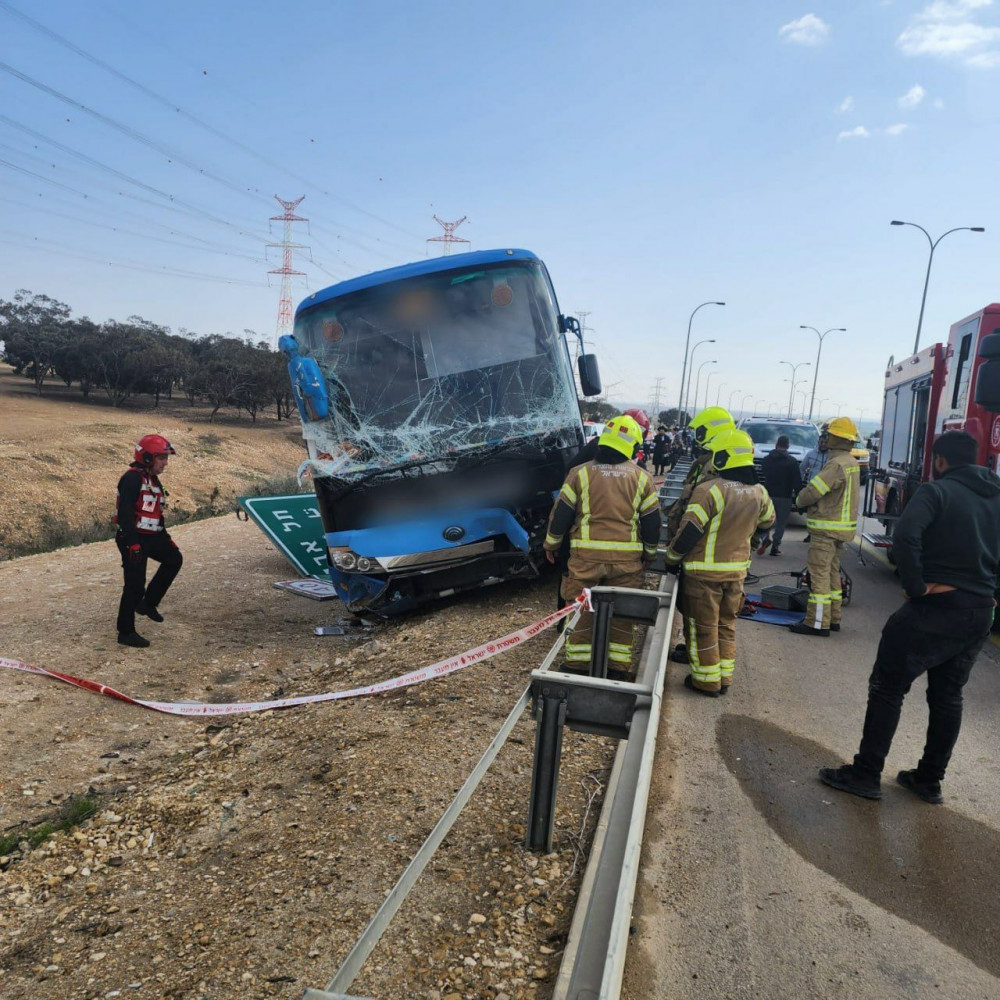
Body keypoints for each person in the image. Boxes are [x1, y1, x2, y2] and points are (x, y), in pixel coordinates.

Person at [819, 431, 1000, 803]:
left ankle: (866, 774)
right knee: (948, 696)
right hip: (980, 611)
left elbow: (905, 537)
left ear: (939, 461)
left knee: (888, 688)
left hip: (936, 607)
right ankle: (929, 781)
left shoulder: (936, 492)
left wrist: (916, 587)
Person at [544, 416, 661, 672]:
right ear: (633, 446)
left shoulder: (580, 473)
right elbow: (652, 522)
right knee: (622, 615)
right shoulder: (642, 478)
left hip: (585, 560)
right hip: (627, 564)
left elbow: (561, 514)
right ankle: (618, 667)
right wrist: (650, 553)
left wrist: (551, 544)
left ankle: (576, 666)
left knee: (582, 611)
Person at [664, 428, 775, 695]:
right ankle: (724, 678)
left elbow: (689, 531)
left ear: (723, 457)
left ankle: (706, 681)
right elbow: (767, 522)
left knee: (702, 627)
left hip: (703, 574)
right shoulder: (759, 492)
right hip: (736, 573)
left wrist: (671, 558)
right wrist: (750, 542)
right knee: (726, 624)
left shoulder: (709, 490)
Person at [789, 416, 860, 637]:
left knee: (818, 575)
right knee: (832, 574)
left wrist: (799, 501)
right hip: (840, 530)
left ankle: (817, 623)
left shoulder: (836, 464)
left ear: (837, 438)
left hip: (826, 530)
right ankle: (833, 618)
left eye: (829, 434)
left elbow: (814, 490)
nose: (826, 438)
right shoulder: (851, 462)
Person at [114, 434, 183, 648]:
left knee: (174, 559)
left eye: (166, 458)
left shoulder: (152, 479)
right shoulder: (132, 479)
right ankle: (125, 632)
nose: (165, 463)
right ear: (147, 458)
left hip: (152, 535)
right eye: (161, 458)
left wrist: (166, 537)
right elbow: (125, 514)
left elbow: (155, 513)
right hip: (132, 537)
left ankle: (148, 604)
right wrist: (133, 544)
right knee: (135, 585)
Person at [756, 435, 802, 556]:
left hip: (768, 494)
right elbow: (797, 481)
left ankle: (765, 538)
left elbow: (762, 473)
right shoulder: (792, 462)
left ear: (776, 444)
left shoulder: (766, 460)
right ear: (788, 446)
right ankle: (775, 546)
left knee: (764, 518)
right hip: (785, 496)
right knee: (781, 522)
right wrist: (799, 498)